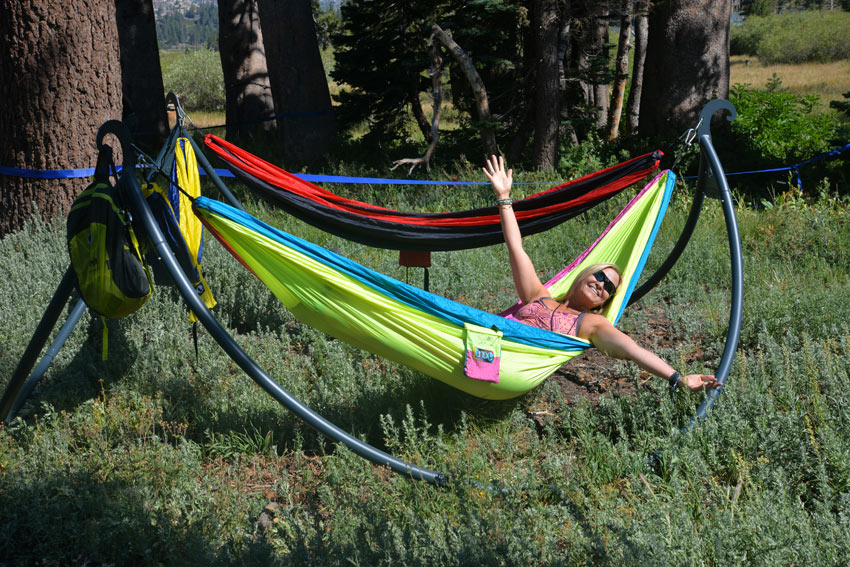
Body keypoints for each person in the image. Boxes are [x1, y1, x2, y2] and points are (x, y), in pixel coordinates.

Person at [483, 154, 722, 393]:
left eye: (608, 287)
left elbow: (632, 350)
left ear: (604, 302)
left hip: (510, 370)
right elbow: (516, 247)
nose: (601, 285)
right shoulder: (538, 296)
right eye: (599, 277)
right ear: (583, 276)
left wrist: (678, 378)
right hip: (486, 347)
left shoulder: (591, 323)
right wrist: (504, 197)